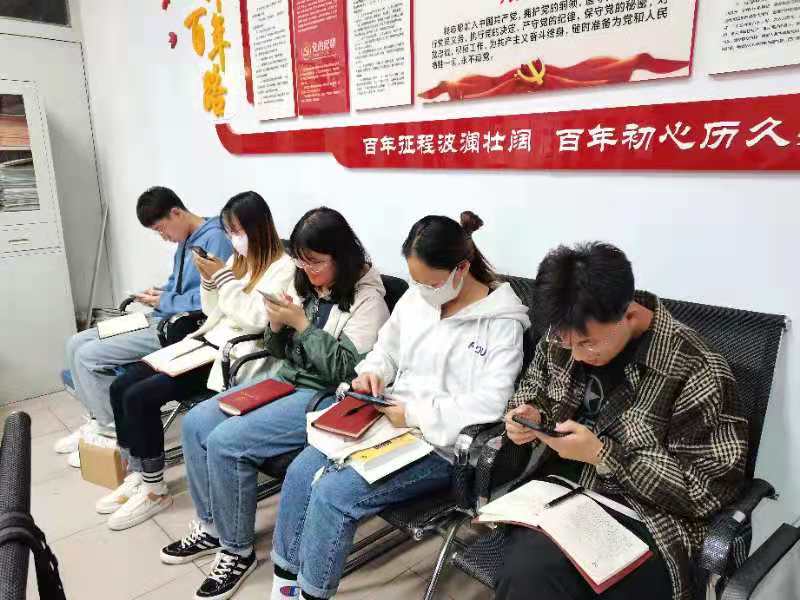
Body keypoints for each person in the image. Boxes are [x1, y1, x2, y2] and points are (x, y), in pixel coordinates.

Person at [267, 212, 530, 600]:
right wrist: (371, 373)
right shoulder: (418, 298)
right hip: (387, 420)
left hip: (438, 444)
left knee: (334, 494)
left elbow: (490, 403)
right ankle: (284, 583)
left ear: (461, 269)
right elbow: (385, 351)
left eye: (430, 283)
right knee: (303, 469)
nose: (422, 291)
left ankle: (311, 593)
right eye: (415, 281)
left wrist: (415, 415)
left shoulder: (501, 324)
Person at [161, 207, 390, 600]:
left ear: (341, 256)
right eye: (301, 261)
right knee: (197, 422)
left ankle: (237, 551)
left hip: (322, 395)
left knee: (227, 442)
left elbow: (348, 371)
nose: (307, 270)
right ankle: (212, 527)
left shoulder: (369, 300)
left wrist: (302, 325)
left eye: (316, 262)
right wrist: (277, 326)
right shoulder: (306, 283)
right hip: (285, 379)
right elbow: (279, 351)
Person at [498, 242, 748, 600]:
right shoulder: (564, 335)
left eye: (588, 344)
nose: (576, 355)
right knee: (528, 566)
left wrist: (604, 455)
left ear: (628, 314)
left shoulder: (696, 369)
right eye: (568, 344)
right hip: (558, 495)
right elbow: (533, 388)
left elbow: (706, 491)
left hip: (648, 521)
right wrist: (529, 415)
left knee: (531, 572)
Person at [96, 191, 294, 531]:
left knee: (140, 397)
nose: (232, 239)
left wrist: (224, 280)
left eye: (237, 231)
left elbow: (255, 320)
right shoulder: (240, 262)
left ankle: (155, 490)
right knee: (122, 385)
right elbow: (212, 310)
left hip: (232, 354)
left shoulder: (283, 268)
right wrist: (209, 280)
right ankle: (139, 472)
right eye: (229, 231)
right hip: (206, 340)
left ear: (259, 227)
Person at [55, 187, 232, 467]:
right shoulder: (187, 239)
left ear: (176, 212)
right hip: (160, 315)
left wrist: (166, 299)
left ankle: (111, 435)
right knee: (76, 342)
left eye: (162, 229)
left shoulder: (215, 239)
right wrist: (160, 292)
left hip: (179, 327)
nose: (164, 237)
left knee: (89, 357)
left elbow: (213, 299)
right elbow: (179, 284)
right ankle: (97, 420)